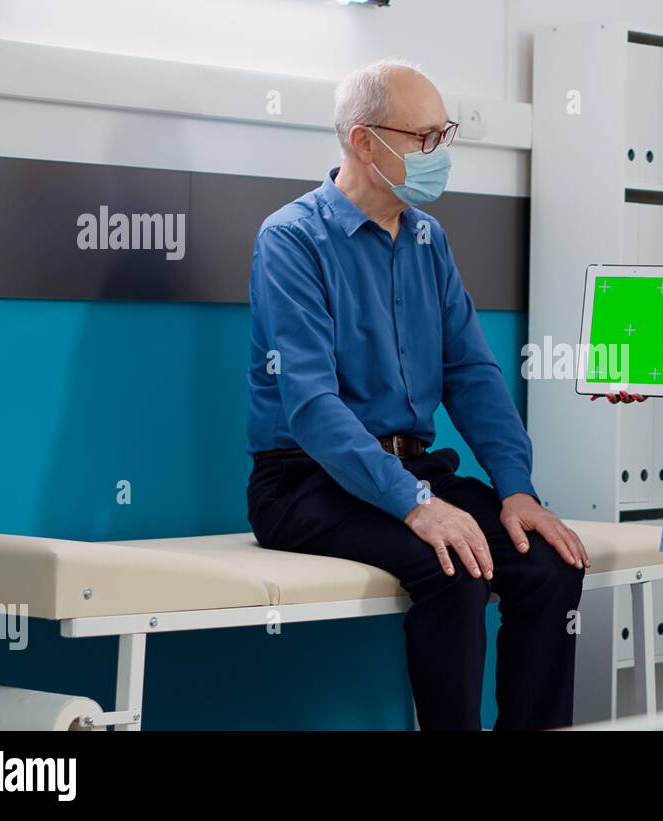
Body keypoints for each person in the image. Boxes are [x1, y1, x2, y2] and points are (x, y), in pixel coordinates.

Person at [244, 58, 589, 731]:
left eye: (445, 135)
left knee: (545, 564)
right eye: (424, 138)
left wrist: (516, 486)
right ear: (364, 142)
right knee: (453, 566)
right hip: (303, 480)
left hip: (411, 469)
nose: (441, 153)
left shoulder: (430, 240)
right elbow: (312, 409)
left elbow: (473, 375)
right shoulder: (291, 240)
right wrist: (415, 506)